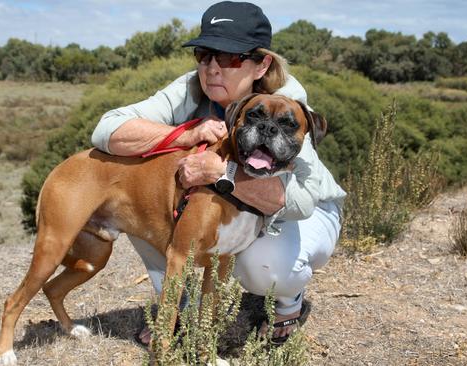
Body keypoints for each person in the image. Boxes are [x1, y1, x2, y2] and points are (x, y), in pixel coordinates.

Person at [91, 1, 346, 345]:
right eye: (204, 54)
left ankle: (287, 303)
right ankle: (177, 309)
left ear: (262, 64)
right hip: (239, 207)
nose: (213, 68)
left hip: (309, 214)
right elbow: (108, 130)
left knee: (262, 265)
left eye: (230, 58)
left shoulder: (288, 102)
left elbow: (301, 202)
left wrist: (221, 171)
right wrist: (187, 135)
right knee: (145, 205)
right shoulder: (191, 87)